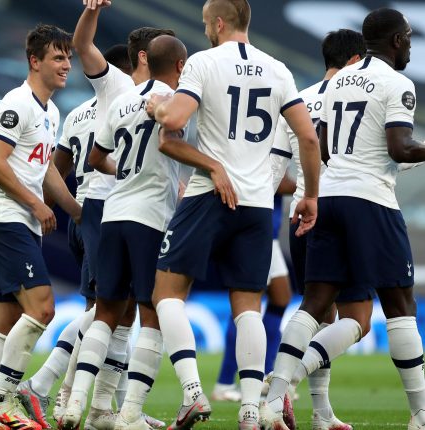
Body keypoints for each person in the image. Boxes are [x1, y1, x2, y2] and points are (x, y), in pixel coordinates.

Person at [146, 0, 321, 428]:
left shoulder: (203, 63)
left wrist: (158, 106)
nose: (206, 29)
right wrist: (310, 196)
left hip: (209, 195)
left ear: (219, 23)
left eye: (207, 23)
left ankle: (193, 393)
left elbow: (175, 117)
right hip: (257, 205)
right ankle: (249, 411)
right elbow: (308, 139)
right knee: (248, 308)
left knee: (166, 294)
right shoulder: (278, 70)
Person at [260, 9, 425, 430]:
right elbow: (401, 147)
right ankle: (421, 415)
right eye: (408, 37)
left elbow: (324, 147)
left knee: (316, 303)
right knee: (400, 306)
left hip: (327, 198)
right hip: (370, 201)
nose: (410, 44)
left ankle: (275, 397)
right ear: (397, 41)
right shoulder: (398, 83)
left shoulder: (335, 83)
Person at [52, 3, 174, 429]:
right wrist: (91, 11)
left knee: (115, 313)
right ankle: (54, 388)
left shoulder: (149, 97)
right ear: (145, 56)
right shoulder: (120, 85)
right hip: (113, 207)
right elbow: (83, 44)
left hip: (113, 206)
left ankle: (98, 408)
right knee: (116, 310)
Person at [0, 24, 81, 430]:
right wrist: (35, 203)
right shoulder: (16, 104)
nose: (66, 65)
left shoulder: (51, 111)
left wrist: (77, 211)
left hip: (22, 223)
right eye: (58, 57)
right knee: (43, 309)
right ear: (35, 61)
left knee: (4, 325)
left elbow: (45, 169)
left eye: (68, 57)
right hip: (7, 220)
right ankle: (1, 400)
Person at [16, 44, 132, 430]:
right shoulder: (127, 105)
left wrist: (52, 214)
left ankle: (97, 403)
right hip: (106, 215)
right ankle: (44, 384)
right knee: (109, 312)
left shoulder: (78, 113)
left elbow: (57, 168)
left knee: (107, 312)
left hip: (81, 218)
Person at [263, 28, 366, 430]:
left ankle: (321, 413)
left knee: (320, 310)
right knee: (358, 317)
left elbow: (274, 167)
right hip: (350, 212)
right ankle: (285, 381)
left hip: (301, 216)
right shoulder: (362, 96)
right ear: (356, 60)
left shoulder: (299, 100)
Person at [211, 184, 296, 404]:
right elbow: (275, 181)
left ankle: (266, 374)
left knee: (281, 297)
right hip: (255, 228)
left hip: (269, 233)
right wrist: (310, 184)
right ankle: (224, 383)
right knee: (247, 304)